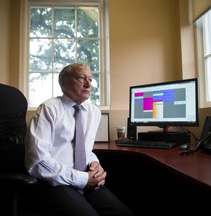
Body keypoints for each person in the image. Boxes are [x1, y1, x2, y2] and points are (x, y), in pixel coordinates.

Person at [25, 63, 134, 216]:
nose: (88, 83)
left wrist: (95, 164)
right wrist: (82, 179)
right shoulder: (48, 109)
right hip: (55, 182)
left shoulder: (93, 112)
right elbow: (37, 161)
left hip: (86, 181)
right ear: (63, 83)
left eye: (90, 78)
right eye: (81, 78)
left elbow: (84, 149)